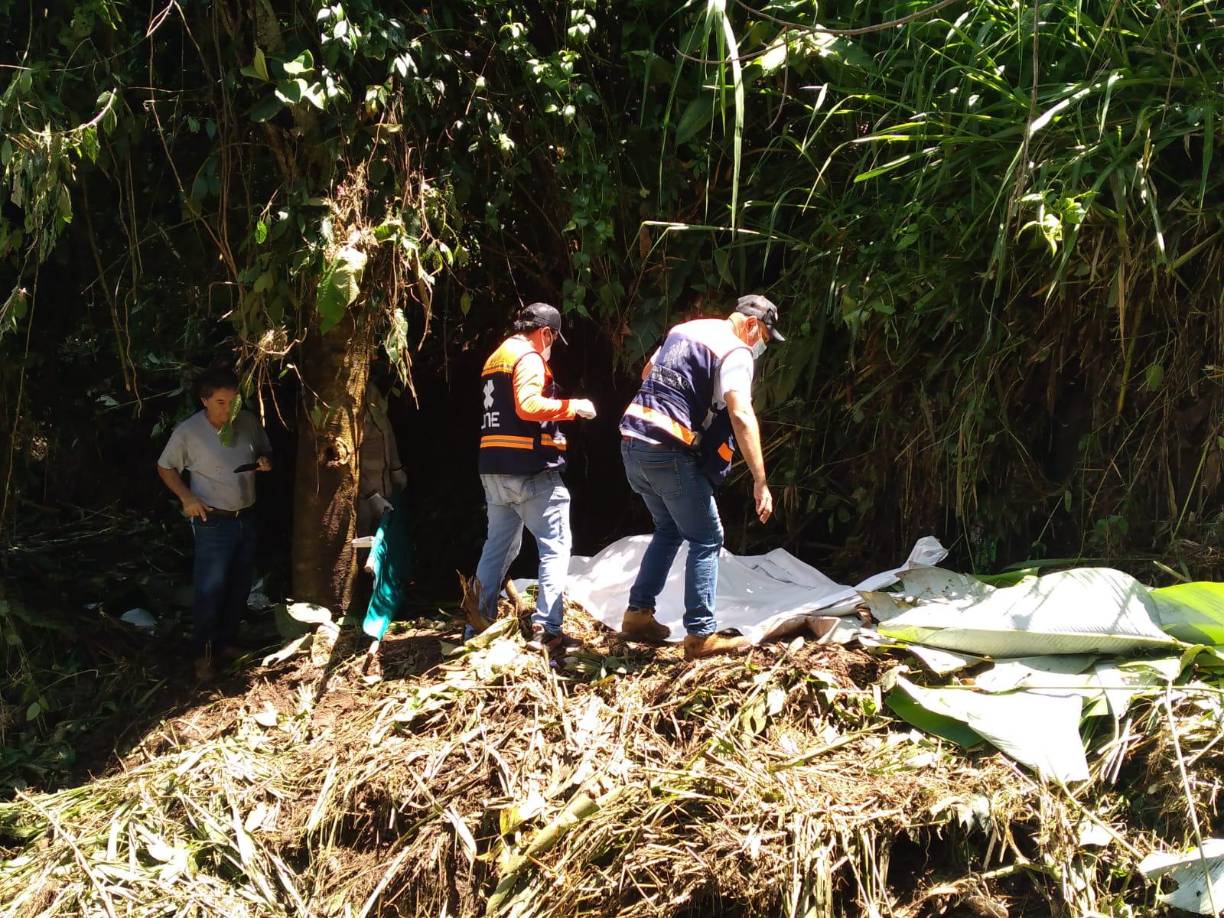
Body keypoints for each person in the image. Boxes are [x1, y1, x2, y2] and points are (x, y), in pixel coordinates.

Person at [617, 294, 785, 659]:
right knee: (708, 537)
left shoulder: (686, 329)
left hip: (632, 442)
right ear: (752, 325)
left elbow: (648, 373)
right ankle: (700, 635)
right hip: (666, 451)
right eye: (765, 339)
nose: (761, 347)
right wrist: (760, 479)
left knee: (669, 529)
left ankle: (637, 614)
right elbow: (740, 414)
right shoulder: (737, 350)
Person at [472, 302, 597, 654]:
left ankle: (475, 624)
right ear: (545, 333)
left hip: (493, 469)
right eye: (553, 339)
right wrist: (573, 407)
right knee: (555, 547)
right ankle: (548, 630)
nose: (551, 347)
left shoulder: (496, 356)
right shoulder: (527, 357)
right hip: (528, 470)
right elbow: (527, 405)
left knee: (497, 548)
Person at [156, 367, 272, 678]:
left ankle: (227, 643)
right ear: (205, 400)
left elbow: (264, 451)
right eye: (221, 402)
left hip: (246, 516)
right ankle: (202, 656)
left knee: (240, 584)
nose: (229, 409)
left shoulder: (246, 420)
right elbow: (165, 468)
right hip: (212, 520)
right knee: (210, 589)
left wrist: (264, 462)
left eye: (233, 402)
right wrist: (187, 498)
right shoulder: (189, 432)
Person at [357, 365, 406, 537]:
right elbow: (349, 461)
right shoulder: (355, 411)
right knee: (363, 547)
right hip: (363, 498)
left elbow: (387, 433)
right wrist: (371, 495)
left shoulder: (376, 401)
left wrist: (396, 468)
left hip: (384, 492)